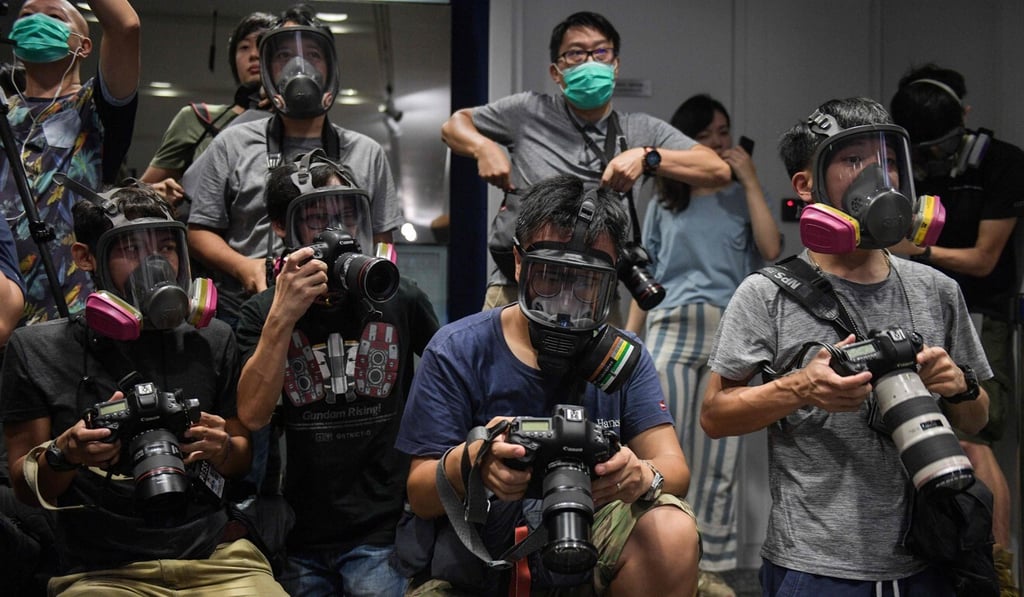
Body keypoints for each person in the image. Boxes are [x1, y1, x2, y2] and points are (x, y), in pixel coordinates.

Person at [702, 97, 991, 596]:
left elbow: (979, 420)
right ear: (806, 184)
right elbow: (715, 416)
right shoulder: (765, 294)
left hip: (930, 557)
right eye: (853, 160)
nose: (875, 176)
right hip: (816, 564)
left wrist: (960, 386)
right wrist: (800, 388)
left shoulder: (935, 289)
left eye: (887, 161)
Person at [396, 173, 701, 596]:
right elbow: (421, 494)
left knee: (671, 529)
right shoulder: (457, 350)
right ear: (520, 264)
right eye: (550, 277)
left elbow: (675, 470)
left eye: (585, 284)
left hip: (586, 542)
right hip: (476, 557)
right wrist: (474, 462)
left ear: (611, 279)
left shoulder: (624, 358)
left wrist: (639, 475)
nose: (565, 301)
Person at [0, 181, 287, 595]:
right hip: (100, 570)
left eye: (166, 248)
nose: (154, 264)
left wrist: (222, 449)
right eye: (130, 249)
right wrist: (65, 455)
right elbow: (26, 491)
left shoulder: (212, 339)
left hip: (217, 559)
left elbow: (239, 459)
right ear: (85, 257)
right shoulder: (36, 349)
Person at [234, 150, 439, 596]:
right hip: (297, 534)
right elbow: (251, 414)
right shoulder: (260, 313)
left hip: (382, 533)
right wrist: (282, 316)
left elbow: (450, 379)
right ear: (280, 229)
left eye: (347, 215)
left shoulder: (398, 297)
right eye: (316, 219)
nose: (337, 231)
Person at [440, 10, 730, 310]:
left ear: (615, 65)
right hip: (518, 286)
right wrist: (482, 147)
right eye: (577, 53)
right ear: (557, 71)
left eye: (601, 51)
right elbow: (453, 126)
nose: (591, 62)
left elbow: (717, 170)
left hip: (596, 293)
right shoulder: (528, 111)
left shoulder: (639, 129)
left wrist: (647, 157)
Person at [624, 93, 781, 597]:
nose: (721, 141)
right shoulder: (664, 198)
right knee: (667, 449)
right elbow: (642, 271)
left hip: (728, 328)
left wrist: (751, 178)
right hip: (669, 323)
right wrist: (632, 340)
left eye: (725, 132)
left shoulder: (739, 193)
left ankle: (708, 566)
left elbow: (773, 249)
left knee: (722, 458)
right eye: (711, 132)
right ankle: (666, 556)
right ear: (689, 139)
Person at [889, 64, 1022, 596]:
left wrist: (918, 252)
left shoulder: (1001, 163)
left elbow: (986, 258)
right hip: (909, 311)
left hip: (978, 313)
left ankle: (997, 571)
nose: (930, 161)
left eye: (939, 148)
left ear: (965, 119)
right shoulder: (899, 166)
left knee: (973, 437)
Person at [183, 11, 402, 326]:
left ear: (329, 67)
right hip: (253, 310)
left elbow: (382, 239)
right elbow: (200, 231)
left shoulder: (367, 153)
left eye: (313, 55)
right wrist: (245, 267)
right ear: (268, 68)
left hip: (345, 313)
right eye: (284, 55)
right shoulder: (232, 143)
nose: (299, 65)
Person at [0, 0, 139, 326]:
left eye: (54, 16)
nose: (36, 22)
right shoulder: (4, 114)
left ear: (84, 46)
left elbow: (125, 26)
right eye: (26, 16)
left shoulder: (95, 110)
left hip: (71, 307)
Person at [140, 11, 275, 211]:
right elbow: (138, 192)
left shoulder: (301, 127)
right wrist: (158, 194)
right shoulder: (197, 118)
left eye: (263, 45)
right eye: (244, 47)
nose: (254, 54)